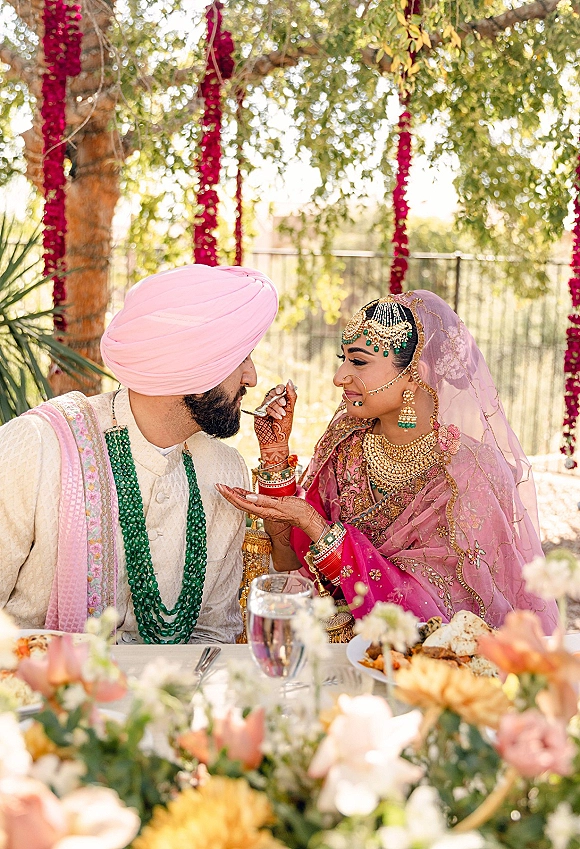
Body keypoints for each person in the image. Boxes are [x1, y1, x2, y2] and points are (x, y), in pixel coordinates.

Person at [218, 290, 558, 633]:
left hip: (422, 670)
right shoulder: (345, 446)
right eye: (344, 358)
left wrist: (317, 526)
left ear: (414, 375)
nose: (339, 376)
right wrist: (275, 453)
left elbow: (440, 617)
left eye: (359, 361)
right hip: (330, 654)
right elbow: (288, 558)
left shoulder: (466, 475)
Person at [0, 264, 278, 644]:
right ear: (191, 366)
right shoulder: (37, 446)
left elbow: (215, 634)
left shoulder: (225, 470)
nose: (252, 378)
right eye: (240, 358)